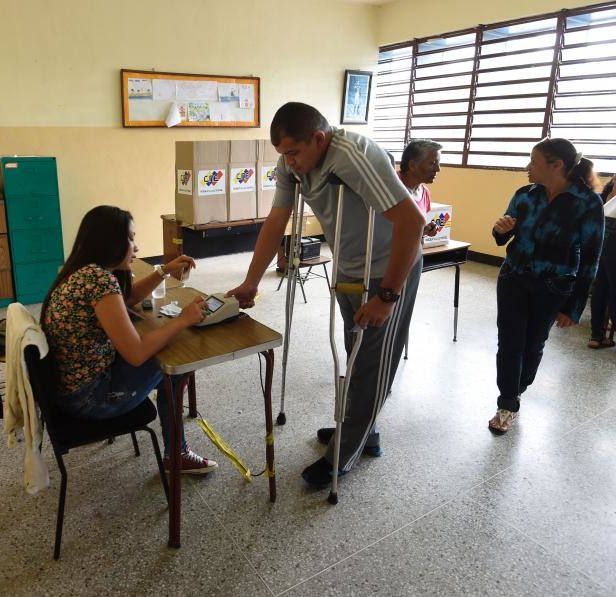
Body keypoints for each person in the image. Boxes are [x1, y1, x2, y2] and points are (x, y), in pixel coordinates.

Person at [226, 102, 425, 487]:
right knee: (355, 354)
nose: (289, 162)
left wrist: (387, 296)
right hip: (350, 265)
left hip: (389, 268)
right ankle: (363, 430)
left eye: (294, 152)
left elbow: (413, 222)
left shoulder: (356, 155)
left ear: (319, 138)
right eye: (283, 154)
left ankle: (344, 453)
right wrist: (251, 281)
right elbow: (276, 221)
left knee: (372, 362)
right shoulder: (291, 166)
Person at [41, 206, 218, 473]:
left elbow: (124, 302)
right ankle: (176, 454)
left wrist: (162, 272)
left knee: (164, 346)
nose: (136, 247)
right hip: (91, 398)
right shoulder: (99, 280)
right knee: (176, 361)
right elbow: (135, 353)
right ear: (110, 241)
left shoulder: (83, 273)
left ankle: (175, 449)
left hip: (70, 389)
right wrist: (183, 319)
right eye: (131, 239)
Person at [489, 139, 605, 433]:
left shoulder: (588, 203)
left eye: (533, 161)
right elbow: (504, 235)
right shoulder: (525, 195)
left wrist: (574, 308)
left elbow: (591, 260)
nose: (527, 167)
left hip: (554, 286)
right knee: (510, 341)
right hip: (513, 277)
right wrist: (499, 229)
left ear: (557, 166)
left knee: (533, 343)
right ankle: (507, 403)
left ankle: (518, 389)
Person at [588, 174, 616, 349]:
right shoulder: (603, 197)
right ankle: (597, 335)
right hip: (605, 247)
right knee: (609, 291)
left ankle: (596, 336)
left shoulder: (604, 199)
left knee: (603, 290)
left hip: (603, 247)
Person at [399, 139, 442, 237]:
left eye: (438, 163)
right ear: (412, 165)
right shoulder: (391, 186)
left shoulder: (424, 193)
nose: (438, 169)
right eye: (433, 163)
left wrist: (424, 230)